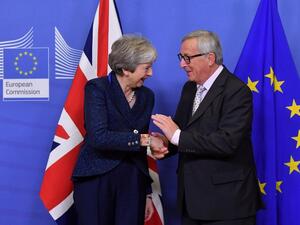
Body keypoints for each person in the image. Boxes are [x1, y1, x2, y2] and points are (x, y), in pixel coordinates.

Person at [151, 30, 263, 225]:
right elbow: (182, 133)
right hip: (191, 202)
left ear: (210, 58)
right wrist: (165, 144)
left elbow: (227, 142)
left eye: (187, 58)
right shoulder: (189, 88)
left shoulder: (236, 91)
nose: (182, 64)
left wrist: (176, 136)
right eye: (181, 57)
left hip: (227, 205)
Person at [72, 35, 165, 225]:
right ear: (125, 69)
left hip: (132, 179)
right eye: (146, 68)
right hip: (97, 176)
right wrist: (145, 140)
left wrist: (146, 192)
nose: (151, 74)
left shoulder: (147, 96)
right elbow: (99, 137)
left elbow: (139, 149)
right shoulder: (97, 88)